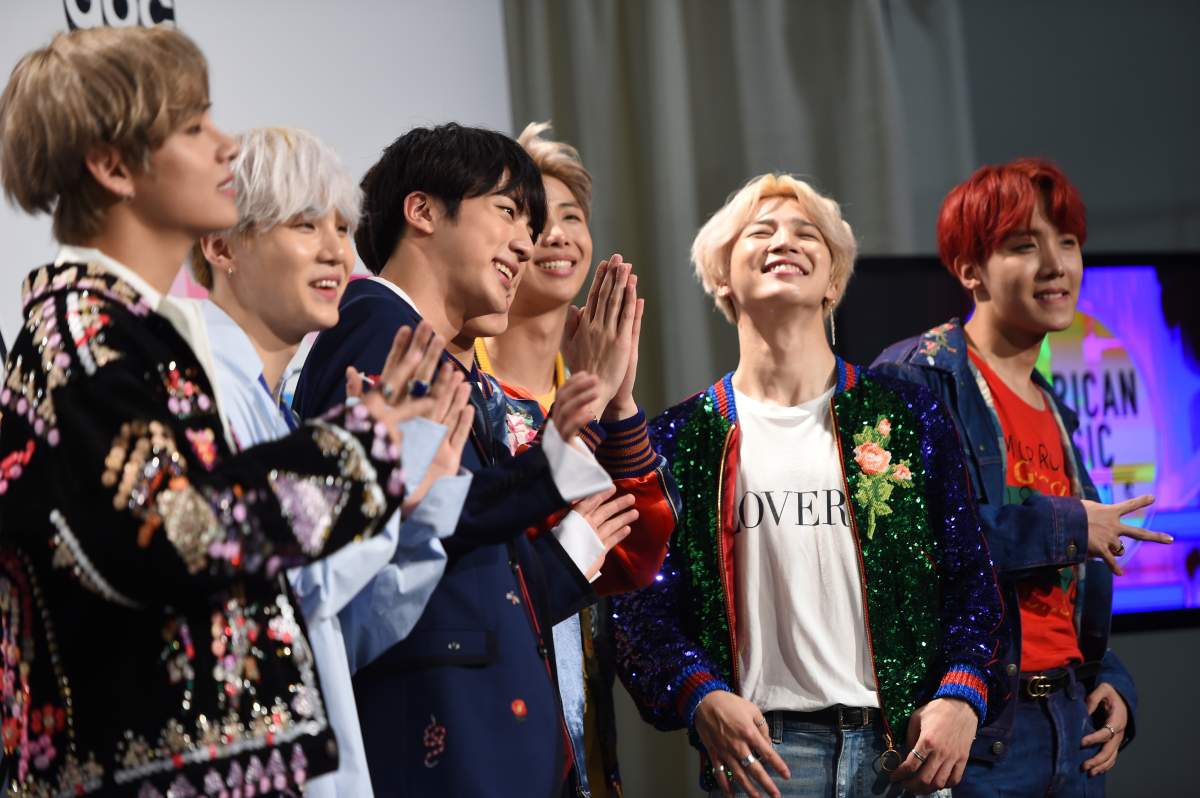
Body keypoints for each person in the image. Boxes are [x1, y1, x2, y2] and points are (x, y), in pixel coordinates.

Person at [0, 27, 427, 796]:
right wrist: (353, 451)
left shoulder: (128, 331)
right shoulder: (83, 337)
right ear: (112, 165)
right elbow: (177, 529)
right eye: (194, 127)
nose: (225, 145)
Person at [293, 122, 664, 797]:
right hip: (438, 738)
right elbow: (408, 537)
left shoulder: (436, 359)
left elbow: (462, 562)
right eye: (508, 212)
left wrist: (566, 543)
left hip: (485, 740)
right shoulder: (377, 326)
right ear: (423, 211)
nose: (527, 243)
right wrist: (559, 453)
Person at [611, 173, 1003, 798]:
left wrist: (962, 694)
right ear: (721, 277)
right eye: (759, 231)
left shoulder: (904, 414)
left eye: (805, 232)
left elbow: (970, 579)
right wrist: (699, 693)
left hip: (902, 750)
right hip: (764, 759)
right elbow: (636, 605)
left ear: (834, 281)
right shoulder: (681, 437)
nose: (783, 240)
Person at [872, 158, 1173, 797]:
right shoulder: (916, 378)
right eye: (1023, 246)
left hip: (1067, 716)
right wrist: (1066, 524)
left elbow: (1060, 597)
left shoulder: (1055, 407)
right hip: (976, 730)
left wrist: (1108, 678)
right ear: (969, 269)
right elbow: (904, 547)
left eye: (1067, 243)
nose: (1056, 265)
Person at [188, 126, 475, 797]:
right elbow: (263, 596)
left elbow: (349, 632)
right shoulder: (196, 396)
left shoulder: (281, 411)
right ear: (221, 245)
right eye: (302, 224)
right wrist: (373, 481)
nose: (336, 253)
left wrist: (414, 511)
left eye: (343, 229)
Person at [478, 121, 678, 797]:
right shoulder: (464, 385)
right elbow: (503, 545)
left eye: (573, 216)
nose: (560, 234)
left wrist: (618, 403)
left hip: (584, 721)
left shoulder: (582, 386)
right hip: (493, 715)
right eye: (537, 218)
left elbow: (639, 552)